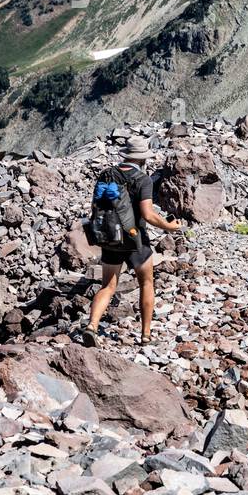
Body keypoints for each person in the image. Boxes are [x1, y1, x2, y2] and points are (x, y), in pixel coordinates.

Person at [81, 135, 181, 347]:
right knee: (146, 282)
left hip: (110, 238)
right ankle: (145, 335)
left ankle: (92, 325)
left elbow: (95, 208)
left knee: (107, 285)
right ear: (142, 158)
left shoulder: (106, 175)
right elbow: (148, 214)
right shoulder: (143, 179)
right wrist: (170, 226)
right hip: (136, 240)